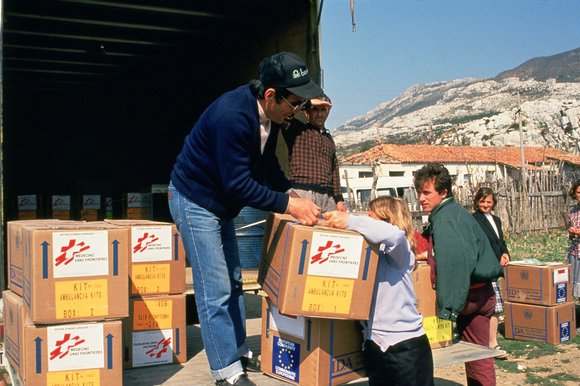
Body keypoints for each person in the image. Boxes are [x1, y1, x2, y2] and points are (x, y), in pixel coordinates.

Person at [168, 51, 323, 386]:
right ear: (271, 95)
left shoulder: (271, 117)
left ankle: (236, 352)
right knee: (215, 289)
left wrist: (292, 194)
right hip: (194, 200)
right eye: (294, 103)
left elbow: (267, 166)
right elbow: (238, 185)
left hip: (219, 203)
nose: (297, 111)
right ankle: (226, 374)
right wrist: (287, 206)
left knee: (236, 281)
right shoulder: (232, 117)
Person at [323, 196, 434, 386]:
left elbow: (395, 236)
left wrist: (350, 220)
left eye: (370, 217)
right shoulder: (368, 254)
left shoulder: (400, 251)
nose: (365, 220)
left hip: (405, 347)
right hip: (375, 346)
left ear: (387, 220)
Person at [414, 163, 503, 386]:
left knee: (423, 352)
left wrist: (448, 311)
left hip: (464, 297)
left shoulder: (444, 219)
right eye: (419, 192)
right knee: (480, 356)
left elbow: (455, 263)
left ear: (443, 192)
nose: (421, 198)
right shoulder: (458, 213)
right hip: (484, 295)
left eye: (426, 193)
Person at [281, 94, 347, 212]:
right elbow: (284, 114)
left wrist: (339, 200)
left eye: (323, 110)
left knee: (327, 230)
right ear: (307, 113)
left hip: (328, 197)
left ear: (328, 113)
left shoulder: (329, 139)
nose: (319, 114)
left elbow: (334, 169)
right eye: (315, 109)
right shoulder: (296, 129)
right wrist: (308, 103)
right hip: (302, 193)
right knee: (302, 229)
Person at [472, 187, 510, 359]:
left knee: (496, 307)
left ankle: (492, 342)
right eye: (482, 201)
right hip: (485, 268)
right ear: (476, 201)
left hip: (496, 266)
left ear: (493, 203)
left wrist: (505, 253)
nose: (485, 205)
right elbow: (480, 245)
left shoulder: (496, 219)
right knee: (490, 306)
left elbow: (500, 241)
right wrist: (494, 260)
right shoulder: (474, 220)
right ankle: (487, 342)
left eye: (488, 202)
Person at [567, 180, 580, 298]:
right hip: (575, 252)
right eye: (579, 192)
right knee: (574, 286)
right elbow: (571, 235)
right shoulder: (573, 210)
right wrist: (571, 232)